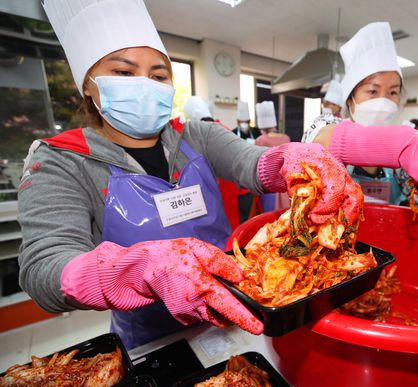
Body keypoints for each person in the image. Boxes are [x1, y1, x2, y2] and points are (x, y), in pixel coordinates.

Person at [20, 0, 363, 350]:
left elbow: (252, 163)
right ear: (88, 84)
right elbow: (43, 267)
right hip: (150, 340)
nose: (144, 85)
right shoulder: (61, 161)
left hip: (237, 312)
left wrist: (295, 161)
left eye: (158, 76)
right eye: (123, 72)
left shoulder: (196, 135)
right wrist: (137, 270)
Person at [304, 22, 418, 206]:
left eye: (393, 92)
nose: (383, 101)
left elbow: (417, 189)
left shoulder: (400, 158)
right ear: (349, 99)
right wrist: (400, 144)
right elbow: (325, 140)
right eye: (372, 91)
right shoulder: (326, 124)